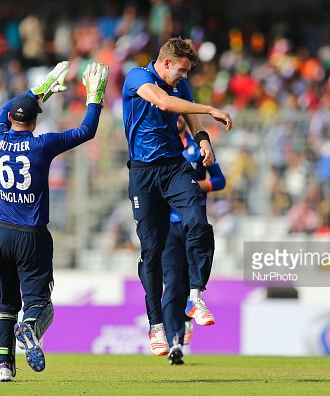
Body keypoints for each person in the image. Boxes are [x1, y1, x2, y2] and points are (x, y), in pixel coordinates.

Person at [0, 60, 108, 382]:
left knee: (4, 299)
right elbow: (86, 131)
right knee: (40, 303)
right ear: (34, 121)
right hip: (32, 235)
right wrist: (94, 96)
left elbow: (5, 109)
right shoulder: (41, 145)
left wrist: (38, 90)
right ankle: (29, 329)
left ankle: (3, 365)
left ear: (12, 118)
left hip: (1, 234)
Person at [122, 37, 233, 356]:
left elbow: (193, 123)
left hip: (173, 166)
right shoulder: (137, 77)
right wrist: (212, 108)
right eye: (181, 70)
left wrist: (204, 142)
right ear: (166, 63)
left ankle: (195, 296)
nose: (184, 77)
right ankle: (156, 325)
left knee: (199, 222)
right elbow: (166, 104)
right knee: (152, 250)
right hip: (143, 173)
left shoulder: (179, 85)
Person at [162, 116, 226, 364]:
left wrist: (193, 187)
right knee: (173, 284)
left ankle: (188, 318)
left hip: (192, 222)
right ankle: (174, 343)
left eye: (180, 113)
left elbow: (220, 179)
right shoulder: (160, 146)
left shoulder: (199, 148)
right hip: (168, 227)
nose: (176, 118)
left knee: (190, 282)